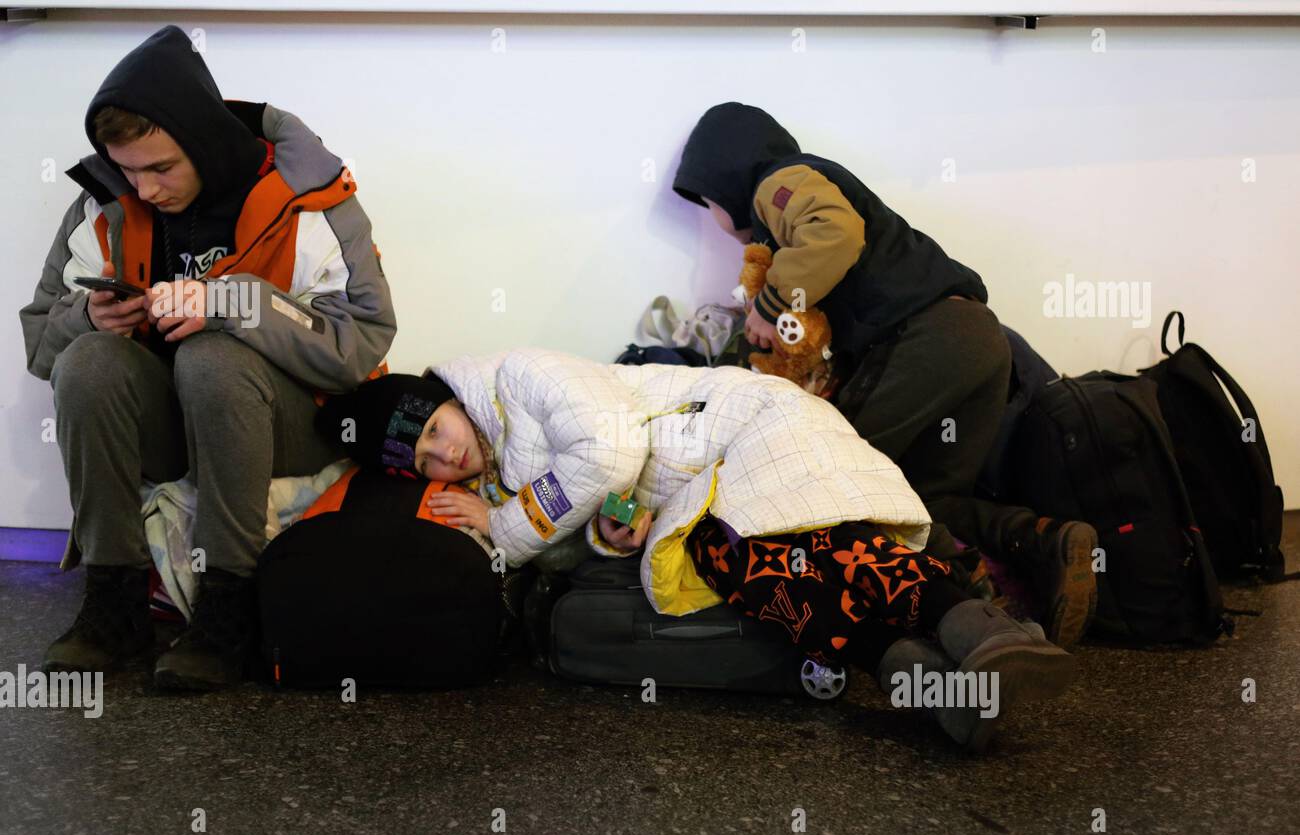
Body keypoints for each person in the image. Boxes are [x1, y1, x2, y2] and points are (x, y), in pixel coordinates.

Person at [320, 354, 1076, 752]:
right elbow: (595, 505)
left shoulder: (521, 377)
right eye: (421, 463)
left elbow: (611, 450)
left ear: (445, 397)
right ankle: (940, 691)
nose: (441, 456)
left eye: (432, 430)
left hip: (742, 429)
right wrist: (603, 533)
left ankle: (986, 634)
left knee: (820, 540)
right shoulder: (502, 468)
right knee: (776, 577)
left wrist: (508, 525)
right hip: (697, 496)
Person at [20, 25, 397, 690]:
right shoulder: (106, 201)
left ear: (205, 143)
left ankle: (228, 608)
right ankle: (114, 605)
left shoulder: (309, 193)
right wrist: (89, 316)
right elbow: (41, 343)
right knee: (87, 359)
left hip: (293, 425)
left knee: (212, 355)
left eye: (161, 168)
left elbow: (360, 343)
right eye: (129, 171)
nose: (145, 189)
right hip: (179, 425)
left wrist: (232, 304)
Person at [672, 101, 1096, 647]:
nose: (711, 216)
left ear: (727, 174)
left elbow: (835, 234)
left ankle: (976, 614)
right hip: (978, 340)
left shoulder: (778, 183)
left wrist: (771, 304)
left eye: (706, 201)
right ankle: (1045, 542)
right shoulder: (800, 193)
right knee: (924, 500)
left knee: (841, 478)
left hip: (924, 339)